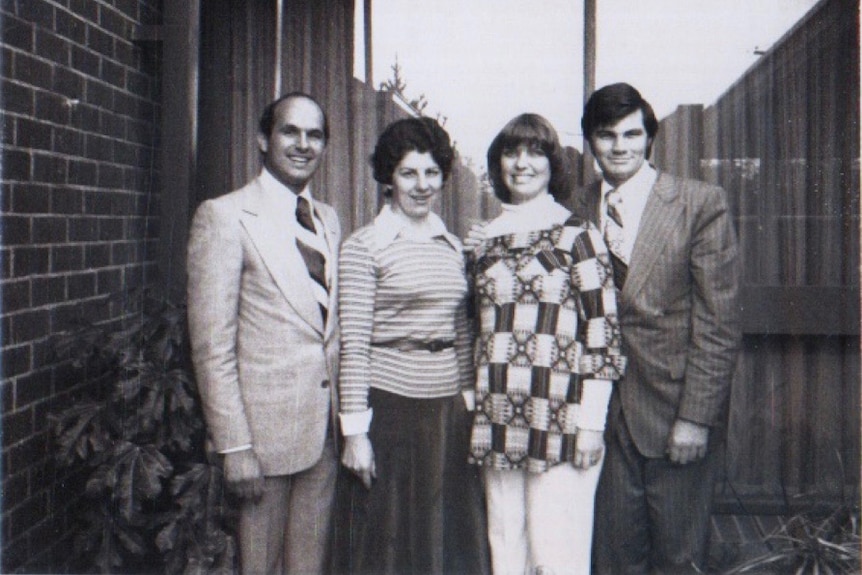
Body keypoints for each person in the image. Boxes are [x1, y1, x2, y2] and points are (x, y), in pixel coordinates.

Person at [573, 83, 741, 574]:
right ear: (591, 141)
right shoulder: (574, 208)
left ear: (649, 138)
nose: (619, 146)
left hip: (674, 409)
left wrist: (697, 417)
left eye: (631, 134)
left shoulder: (698, 203)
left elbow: (719, 321)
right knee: (612, 559)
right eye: (606, 135)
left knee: (679, 558)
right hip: (599, 414)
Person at [187, 92, 340, 574]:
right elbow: (212, 347)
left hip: (323, 436)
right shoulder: (225, 216)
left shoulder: (328, 220)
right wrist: (234, 447)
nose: (303, 144)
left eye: (314, 134)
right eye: (290, 132)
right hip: (261, 443)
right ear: (262, 139)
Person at [467, 113, 625, 575]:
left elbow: (603, 332)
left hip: (561, 415)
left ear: (552, 164)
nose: (522, 163)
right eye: (511, 153)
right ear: (498, 165)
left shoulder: (579, 235)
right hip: (496, 414)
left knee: (559, 555)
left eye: (535, 152)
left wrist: (591, 423)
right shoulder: (482, 241)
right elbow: (476, 331)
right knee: (506, 549)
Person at [337, 116, 488, 574]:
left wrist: (467, 403)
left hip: (446, 413)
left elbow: (461, 331)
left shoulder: (453, 246)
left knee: (444, 545)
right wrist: (355, 433)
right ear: (389, 178)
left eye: (431, 173)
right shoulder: (364, 246)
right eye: (408, 173)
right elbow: (355, 344)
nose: (421, 185)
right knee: (390, 549)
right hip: (391, 412)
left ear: (443, 176)